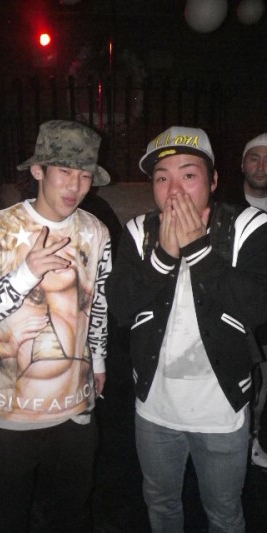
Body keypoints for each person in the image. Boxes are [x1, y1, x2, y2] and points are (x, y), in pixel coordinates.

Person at [0, 120, 112, 532]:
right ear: (38, 170)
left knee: (73, 517)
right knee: (5, 519)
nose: (75, 185)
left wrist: (99, 360)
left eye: (85, 175)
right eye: (65, 171)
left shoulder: (96, 232)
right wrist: (24, 276)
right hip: (10, 417)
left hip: (75, 411)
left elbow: (97, 302)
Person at [105, 125, 267, 532]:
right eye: (162, 178)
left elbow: (257, 305)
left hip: (222, 410)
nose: (174, 191)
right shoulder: (138, 231)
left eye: (188, 175)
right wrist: (162, 256)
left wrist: (197, 249)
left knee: (224, 514)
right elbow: (119, 306)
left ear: (213, 180)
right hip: (155, 409)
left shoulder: (250, 226)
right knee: (160, 505)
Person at [222, 133, 267, 467]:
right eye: (255, 158)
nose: (262, 167)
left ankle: (257, 436)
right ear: (242, 164)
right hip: (234, 310)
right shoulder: (224, 206)